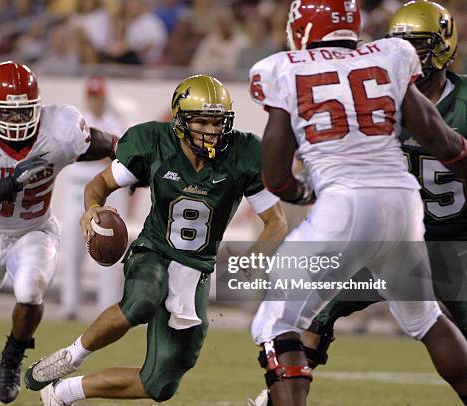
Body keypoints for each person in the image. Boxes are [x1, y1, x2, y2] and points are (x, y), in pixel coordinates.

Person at [248, 1, 467, 405]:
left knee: (274, 320)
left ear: (301, 27)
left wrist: (302, 192)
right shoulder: (389, 58)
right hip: (404, 206)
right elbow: (442, 140)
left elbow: (276, 177)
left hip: (347, 205)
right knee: (426, 319)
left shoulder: (284, 67)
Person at [24, 74, 288, 405]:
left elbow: (275, 222)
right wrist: (92, 208)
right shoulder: (154, 142)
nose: (211, 130)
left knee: (158, 385)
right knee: (143, 300)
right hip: (154, 250)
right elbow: (99, 185)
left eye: (218, 121)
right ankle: (71, 356)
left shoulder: (243, 153)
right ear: (180, 121)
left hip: (196, 269)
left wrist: (254, 260)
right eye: (202, 121)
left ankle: (62, 393)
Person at [0, 61, 118, 406]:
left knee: (31, 289)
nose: (17, 121)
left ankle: (13, 356)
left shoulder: (60, 129)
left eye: (24, 112)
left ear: (37, 107)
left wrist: (137, 161)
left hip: (36, 229)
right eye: (8, 112)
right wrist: (7, 185)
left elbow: (107, 144)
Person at [59, 76, 128, 319]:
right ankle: (70, 305)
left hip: (109, 189)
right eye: (93, 96)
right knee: (74, 247)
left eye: (100, 97)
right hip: (78, 187)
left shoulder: (115, 121)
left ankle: (107, 306)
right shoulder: (78, 121)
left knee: (112, 246)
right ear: (87, 97)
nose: (97, 101)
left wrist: (99, 153)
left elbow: (121, 157)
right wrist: (103, 153)